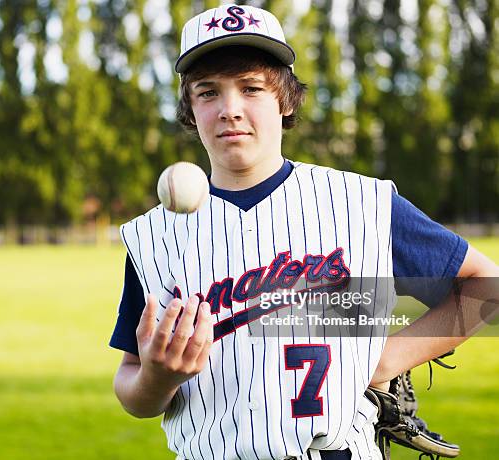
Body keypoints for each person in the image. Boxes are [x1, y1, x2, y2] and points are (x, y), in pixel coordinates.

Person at [109, 4, 499, 460]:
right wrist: (158, 378)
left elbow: (484, 289)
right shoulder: (155, 236)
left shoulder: (361, 203)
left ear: (287, 100)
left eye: (251, 88)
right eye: (208, 92)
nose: (230, 109)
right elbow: (131, 386)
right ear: (190, 111)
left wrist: (387, 358)